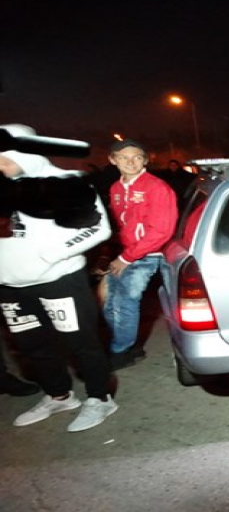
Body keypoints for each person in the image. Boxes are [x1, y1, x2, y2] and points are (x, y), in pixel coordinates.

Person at [0, 131, 117, 431]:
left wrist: (50, 255)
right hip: (11, 286)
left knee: (81, 343)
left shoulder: (66, 183)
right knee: (32, 346)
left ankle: (100, 398)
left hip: (59, 280)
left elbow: (98, 228)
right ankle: (59, 396)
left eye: (3, 159)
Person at [103, 139, 178, 370]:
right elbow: (122, 224)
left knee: (124, 303)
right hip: (127, 252)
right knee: (110, 303)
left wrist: (126, 258)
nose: (130, 162)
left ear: (145, 160)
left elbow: (161, 231)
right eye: (123, 157)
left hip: (149, 253)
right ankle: (125, 344)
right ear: (113, 160)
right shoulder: (115, 189)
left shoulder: (157, 187)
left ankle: (121, 351)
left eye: (136, 157)